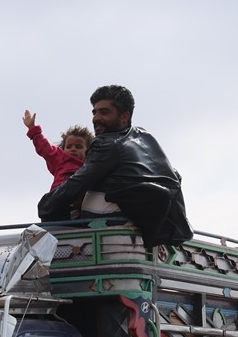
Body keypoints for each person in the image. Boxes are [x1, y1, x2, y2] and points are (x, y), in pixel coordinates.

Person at [37, 85, 192, 248]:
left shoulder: (107, 143)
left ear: (125, 116)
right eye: (94, 112)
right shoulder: (144, 136)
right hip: (163, 225)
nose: (96, 118)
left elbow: (78, 182)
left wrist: (45, 205)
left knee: (54, 210)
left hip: (120, 225)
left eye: (104, 112)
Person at [22, 110, 93, 192]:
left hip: (82, 200)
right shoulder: (61, 159)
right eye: (69, 147)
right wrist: (33, 129)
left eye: (78, 147)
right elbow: (45, 148)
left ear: (88, 151)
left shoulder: (91, 165)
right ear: (63, 149)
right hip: (59, 197)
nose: (73, 149)